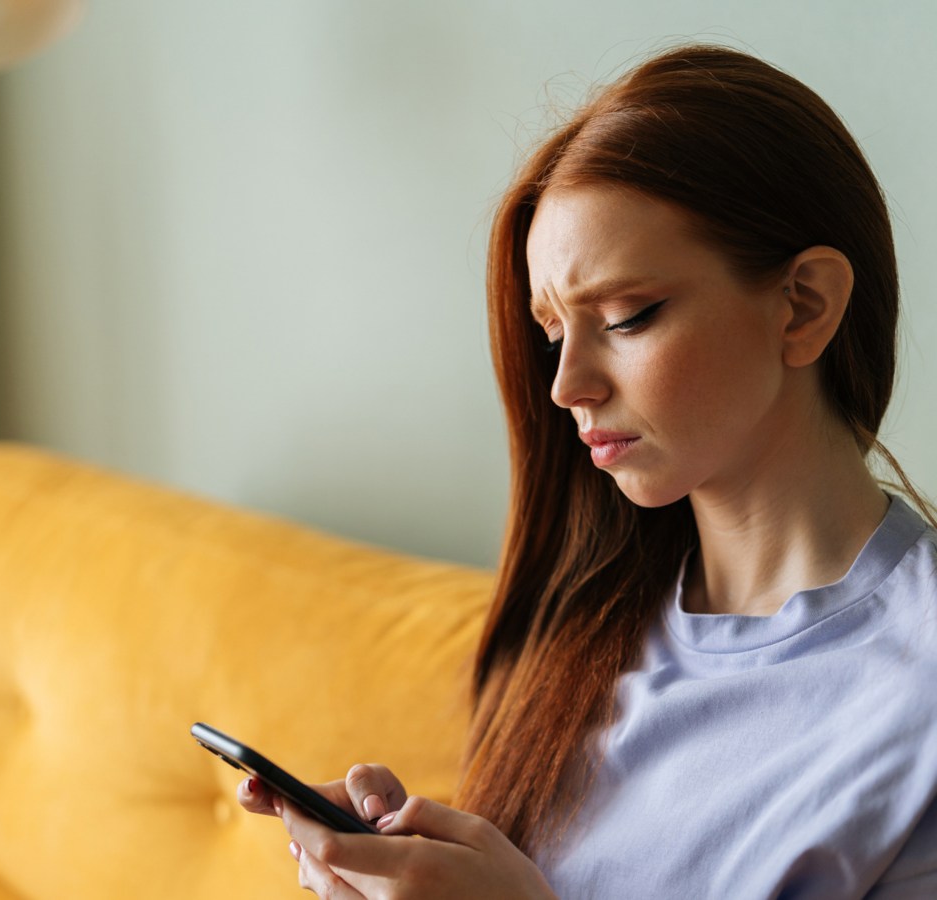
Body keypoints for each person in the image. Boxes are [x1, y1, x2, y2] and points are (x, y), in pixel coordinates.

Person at [239, 44, 937, 898]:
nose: (568, 386)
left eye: (628, 316)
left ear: (805, 305)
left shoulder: (915, 698)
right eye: (553, 335)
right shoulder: (585, 627)